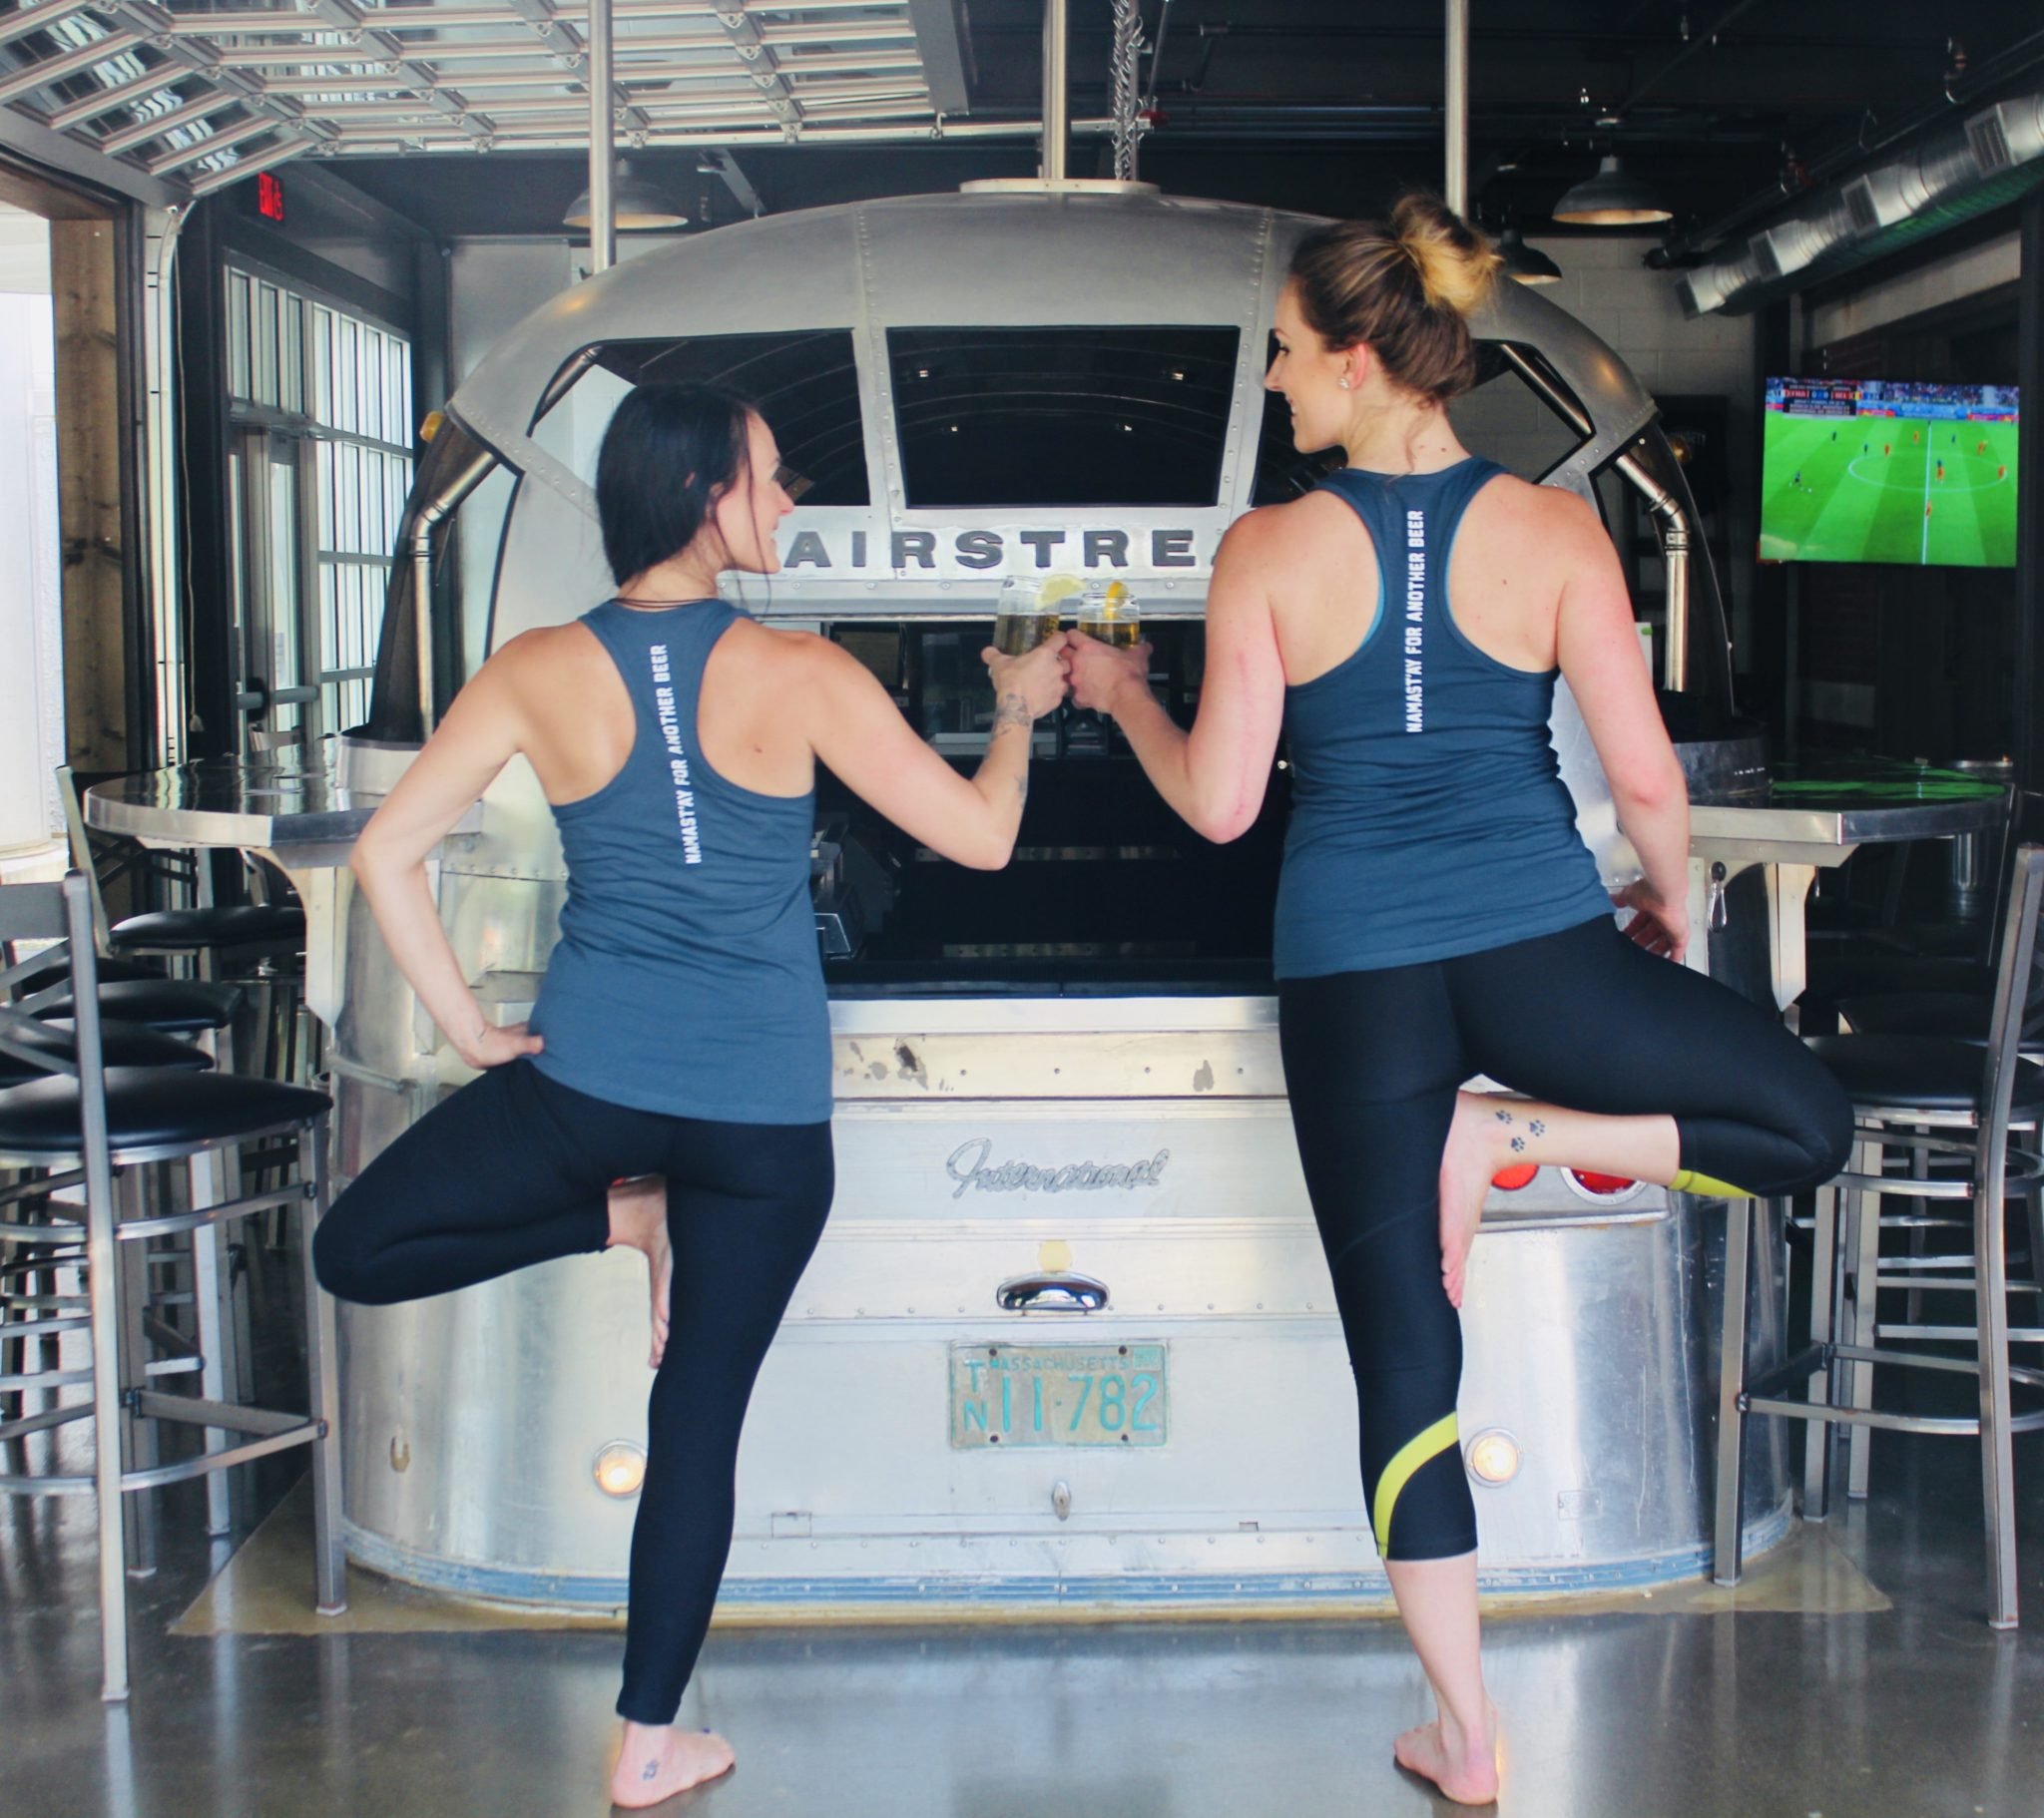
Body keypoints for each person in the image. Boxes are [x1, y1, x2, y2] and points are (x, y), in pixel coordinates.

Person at [1064, 196, 1851, 1806]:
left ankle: (1466, 1731)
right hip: (1544, 952)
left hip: (1354, 978)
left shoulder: (1268, 550)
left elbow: (1220, 805)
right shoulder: (1561, 535)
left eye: (1286, 356)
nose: (1275, 382)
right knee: (1807, 1124)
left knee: (1404, 1364)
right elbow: (1643, 779)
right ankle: (1515, 1135)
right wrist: (1670, 909)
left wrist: (1132, 696)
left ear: (1358, 359)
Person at [313, 383, 1069, 1808]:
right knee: (698, 1419)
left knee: (349, 1249)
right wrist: (1018, 711)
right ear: (704, 497)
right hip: (763, 1131)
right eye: (772, 481)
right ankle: (649, 1745)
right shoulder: (807, 673)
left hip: (584, 1092)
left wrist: (468, 1025)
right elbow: (982, 837)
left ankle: (620, 1217)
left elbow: (385, 851)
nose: (789, 505)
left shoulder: (537, 665)